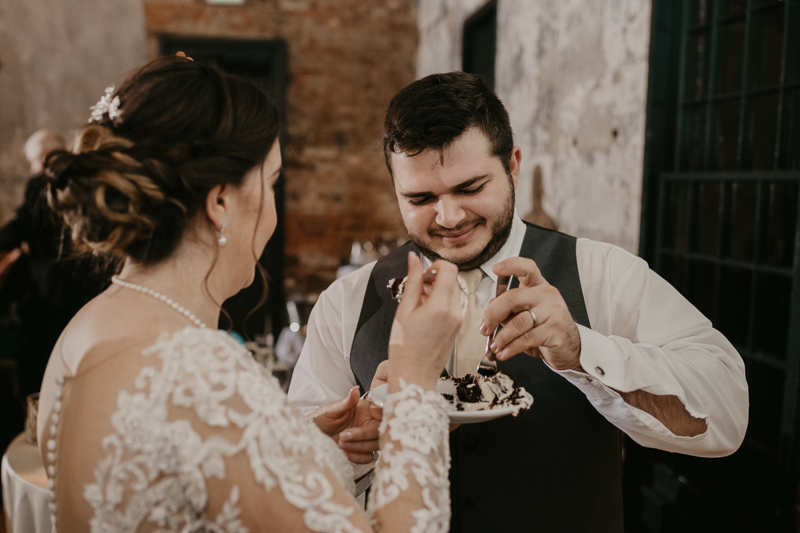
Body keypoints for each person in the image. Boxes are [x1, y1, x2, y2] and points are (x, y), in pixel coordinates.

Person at [288, 72, 749, 532]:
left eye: (470, 188)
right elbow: (292, 486)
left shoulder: (601, 272)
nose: (448, 217)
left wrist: (581, 351)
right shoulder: (345, 303)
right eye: (421, 197)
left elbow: (727, 418)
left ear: (513, 164)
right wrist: (359, 447)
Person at [37, 56, 462, 532]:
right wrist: (414, 384)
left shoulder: (83, 328)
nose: (273, 209)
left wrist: (296, 447)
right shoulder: (199, 371)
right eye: (272, 183)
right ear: (220, 202)